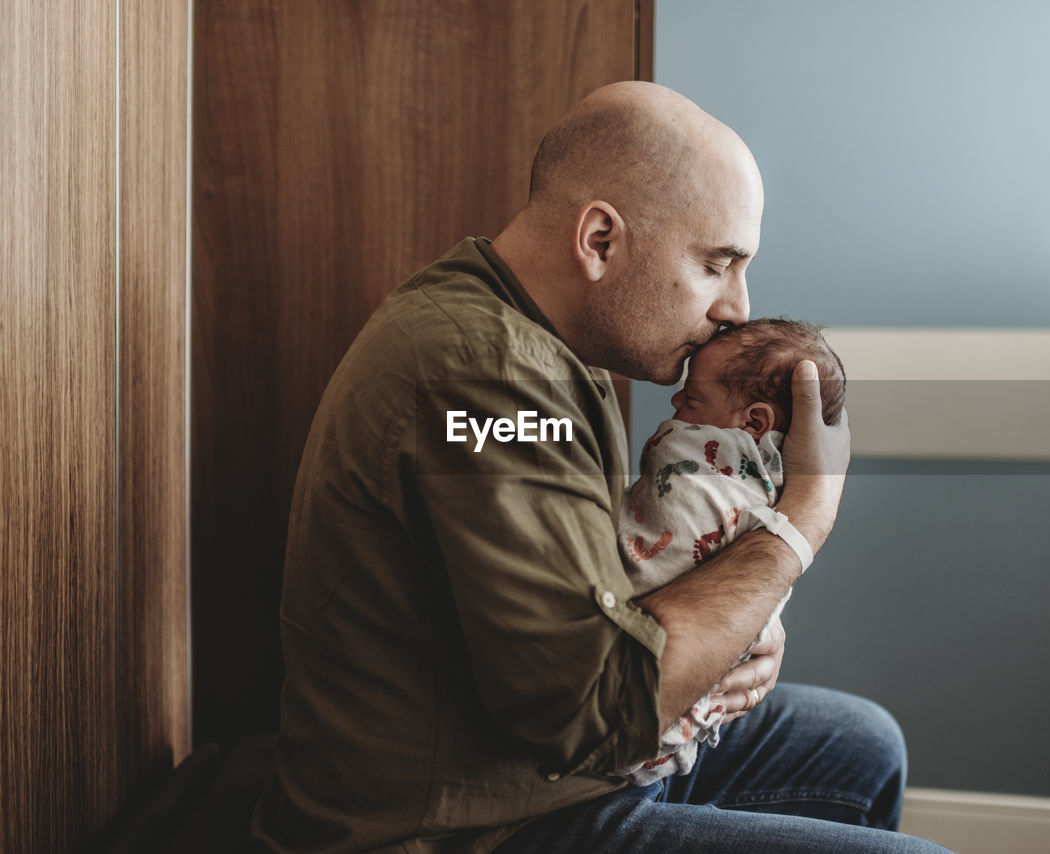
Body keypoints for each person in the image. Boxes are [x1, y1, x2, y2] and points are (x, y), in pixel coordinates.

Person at [252, 81, 952, 854]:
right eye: (717, 264)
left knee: (863, 744)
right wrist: (799, 526)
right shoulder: (488, 382)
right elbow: (594, 709)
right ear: (599, 241)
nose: (736, 308)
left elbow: (595, 593)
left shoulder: (538, 345)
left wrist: (737, 623)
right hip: (466, 823)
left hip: (533, 761)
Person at [613, 318, 846, 786]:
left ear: (753, 423)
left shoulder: (709, 457)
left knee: (869, 743)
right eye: (717, 264)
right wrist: (810, 510)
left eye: (692, 399)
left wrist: (745, 632)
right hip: (626, 728)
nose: (677, 405)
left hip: (668, 714)